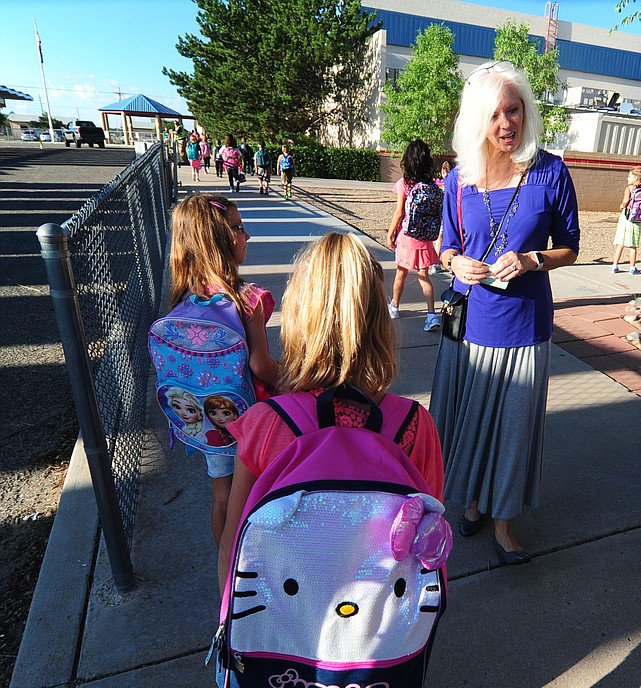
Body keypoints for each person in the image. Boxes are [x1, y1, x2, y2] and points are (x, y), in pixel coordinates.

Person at [217, 231, 445, 589]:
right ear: (378, 326)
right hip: (379, 626)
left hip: (286, 626)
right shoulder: (413, 425)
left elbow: (234, 544)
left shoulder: (265, 424)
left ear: (299, 318)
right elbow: (427, 538)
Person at [431, 61, 580, 565]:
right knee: (474, 421)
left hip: (526, 322)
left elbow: (571, 247)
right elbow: (446, 246)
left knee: (514, 428)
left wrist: (534, 258)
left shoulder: (550, 171)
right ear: (477, 119)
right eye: (494, 114)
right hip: (474, 322)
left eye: (513, 110)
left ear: (526, 111)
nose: (506, 124)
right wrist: (458, 263)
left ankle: (504, 523)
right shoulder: (459, 178)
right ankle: (473, 502)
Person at [168, 193, 281, 543]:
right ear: (219, 239)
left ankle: (225, 564)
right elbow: (260, 365)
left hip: (205, 422)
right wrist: (295, 380)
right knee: (250, 499)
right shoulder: (247, 299)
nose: (246, 236)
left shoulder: (186, 297)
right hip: (249, 423)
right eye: (239, 228)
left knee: (221, 496)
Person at [387, 138, 442, 332]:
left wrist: (390, 233)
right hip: (426, 238)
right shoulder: (432, 185)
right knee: (424, 276)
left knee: (401, 273)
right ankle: (431, 314)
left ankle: (394, 306)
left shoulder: (404, 184)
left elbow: (399, 213)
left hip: (407, 237)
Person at [611, 167, 641, 274]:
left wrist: (622, 205)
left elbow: (626, 201)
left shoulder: (629, 188)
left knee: (621, 242)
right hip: (637, 220)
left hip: (626, 217)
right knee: (633, 245)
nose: (627, 178)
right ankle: (632, 268)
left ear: (636, 178)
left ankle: (614, 266)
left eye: (630, 176)